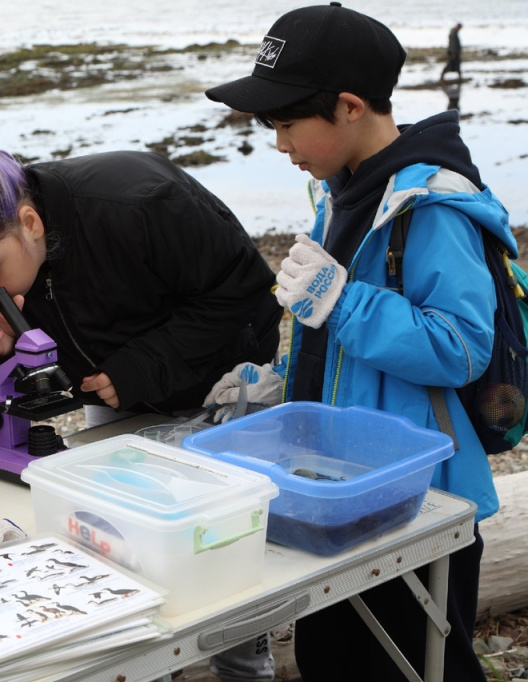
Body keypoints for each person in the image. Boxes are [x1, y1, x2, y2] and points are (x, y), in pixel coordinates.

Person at [0, 129, 283, 682]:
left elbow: (247, 292)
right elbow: (33, 382)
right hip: (119, 393)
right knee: (120, 536)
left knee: (219, 539)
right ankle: (152, 663)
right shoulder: (3, 264)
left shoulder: (139, 202)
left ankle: (244, 666)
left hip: (222, 379)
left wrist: (142, 367)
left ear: (31, 224)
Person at [205, 3, 508, 680]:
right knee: (331, 656)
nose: (280, 144)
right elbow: (330, 339)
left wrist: (343, 301)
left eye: (286, 123)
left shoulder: (429, 205)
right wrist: (280, 383)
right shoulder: (340, 193)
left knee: (421, 661)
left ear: (347, 106)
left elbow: (461, 348)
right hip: (337, 491)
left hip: (419, 502)